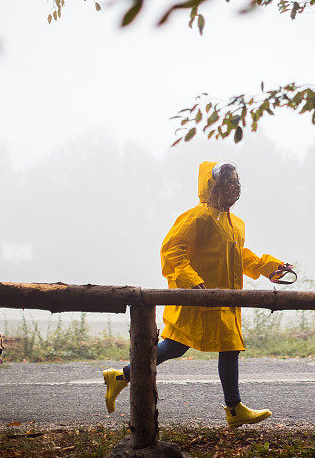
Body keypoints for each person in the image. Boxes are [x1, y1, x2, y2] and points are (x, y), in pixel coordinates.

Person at [102, 161, 292, 428]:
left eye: (236, 182)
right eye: (227, 182)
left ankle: (233, 408)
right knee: (175, 348)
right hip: (197, 299)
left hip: (224, 301)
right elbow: (172, 251)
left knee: (229, 347)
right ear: (211, 185)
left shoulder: (235, 223)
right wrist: (191, 282)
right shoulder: (197, 217)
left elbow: (240, 256)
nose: (234, 187)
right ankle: (121, 377)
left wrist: (270, 268)